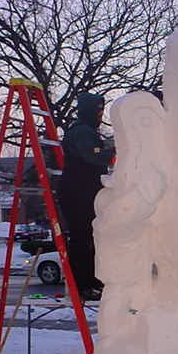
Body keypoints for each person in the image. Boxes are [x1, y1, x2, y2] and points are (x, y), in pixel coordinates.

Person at [59, 93, 114, 301]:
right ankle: (82, 285)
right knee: (82, 237)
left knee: (91, 237)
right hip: (77, 191)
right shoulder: (82, 131)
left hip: (85, 190)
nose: (101, 115)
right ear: (89, 111)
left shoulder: (88, 131)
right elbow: (93, 155)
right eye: (98, 111)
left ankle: (91, 280)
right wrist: (113, 153)